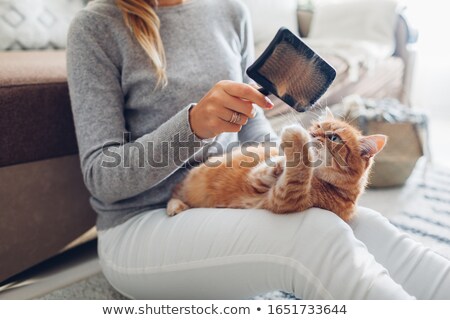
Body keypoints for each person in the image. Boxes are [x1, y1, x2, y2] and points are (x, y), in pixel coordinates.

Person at [66, 0, 450, 299]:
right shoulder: (96, 26)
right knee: (313, 235)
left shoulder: (229, 10)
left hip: (235, 199)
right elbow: (103, 178)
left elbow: (251, 121)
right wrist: (194, 126)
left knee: (363, 224)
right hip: (143, 225)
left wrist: (287, 164)